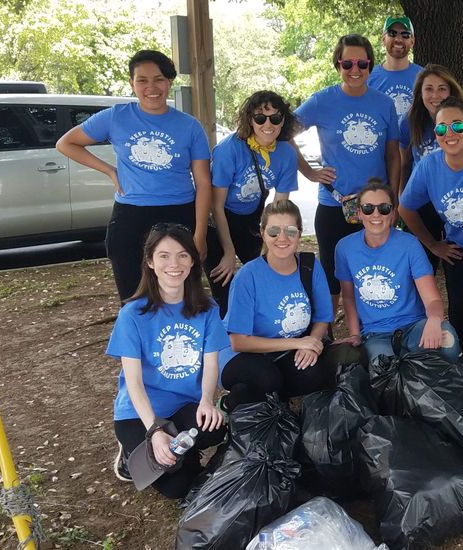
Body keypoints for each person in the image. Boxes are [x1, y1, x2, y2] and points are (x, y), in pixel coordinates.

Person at [57, 50, 212, 302]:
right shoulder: (116, 116)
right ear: (132, 84)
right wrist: (109, 170)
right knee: (133, 297)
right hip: (131, 215)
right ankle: (137, 340)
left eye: (159, 79)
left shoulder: (189, 125)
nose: (151, 87)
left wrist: (200, 234)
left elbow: (204, 182)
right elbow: (66, 144)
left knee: (182, 293)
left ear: (169, 82)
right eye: (142, 80)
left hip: (180, 212)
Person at [106, 223, 227, 499]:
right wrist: (154, 431)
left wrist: (207, 401)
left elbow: (210, 364)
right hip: (139, 414)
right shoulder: (133, 314)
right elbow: (134, 384)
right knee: (177, 488)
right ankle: (129, 455)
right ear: (150, 262)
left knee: (214, 429)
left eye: (183, 255)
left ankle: (182, 452)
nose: (174, 264)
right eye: (164, 255)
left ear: (193, 261)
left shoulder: (207, 309)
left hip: (184, 404)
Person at [293, 34, 400, 316]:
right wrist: (310, 172)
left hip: (375, 208)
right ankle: (325, 338)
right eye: (348, 63)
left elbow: (393, 155)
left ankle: (372, 334)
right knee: (332, 278)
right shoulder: (321, 101)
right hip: (334, 204)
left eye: (362, 64)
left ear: (370, 65)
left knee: (374, 272)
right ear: (337, 64)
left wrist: (394, 201)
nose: (355, 70)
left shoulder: (384, 104)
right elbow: (282, 133)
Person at [399, 97, 463, 371]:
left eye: (457, 125)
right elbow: (405, 208)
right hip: (458, 250)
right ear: (436, 134)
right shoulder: (429, 166)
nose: (450, 133)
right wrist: (433, 245)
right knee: (460, 309)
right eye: (442, 128)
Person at [218, 199, 335, 412]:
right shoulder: (248, 276)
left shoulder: (310, 266)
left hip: (282, 352)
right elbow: (238, 342)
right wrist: (298, 343)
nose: (282, 238)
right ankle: (229, 405)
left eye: (290, 231)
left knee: (319, 372)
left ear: (299, 233)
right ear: (262, 232)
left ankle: (267, 401)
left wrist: (313, 342)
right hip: (241, 354)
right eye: (273, 231)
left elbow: (323, 318)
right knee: (266, 378)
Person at [336, 180, 463, 364]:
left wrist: (434, 321)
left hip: (413, 326)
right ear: (359, 213)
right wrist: (355, 334)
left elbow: (433, 299)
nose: (376, 214)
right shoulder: (344, 248)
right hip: (375, 333)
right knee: (385, 371)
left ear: (393, 213)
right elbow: (348, 297)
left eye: (384, 208)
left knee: (447, 341)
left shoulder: (409, 244)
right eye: (368, 208)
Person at [205, 91, 299, 318]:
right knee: (224, 285)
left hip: (251, 220)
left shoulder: (286, 152)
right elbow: (216, 206)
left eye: (275, 118)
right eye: (260, 118)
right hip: (218, 221)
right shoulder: (229, 149)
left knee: (269, 275)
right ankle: (228, 340)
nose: (268, 124)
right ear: (250, 120)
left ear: (283, 120)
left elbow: (279, 210)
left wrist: (272, 251)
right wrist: (228, 253)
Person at [399, 64, 463, 270]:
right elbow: (404, 163)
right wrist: (401, 196)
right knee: (422, 264)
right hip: (423, 197)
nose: (435, 95)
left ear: (452, 91)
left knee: (459, 262)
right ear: (420, 93)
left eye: (442, 88)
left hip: (458, 196)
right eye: (428, 88)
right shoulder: (409, 121)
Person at [367, 15, 424, 119]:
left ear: (412, 41)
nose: (398, 39)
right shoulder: (368, 77)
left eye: (405, 34)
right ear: (383, 39)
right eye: (392, 33)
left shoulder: (424, 77)